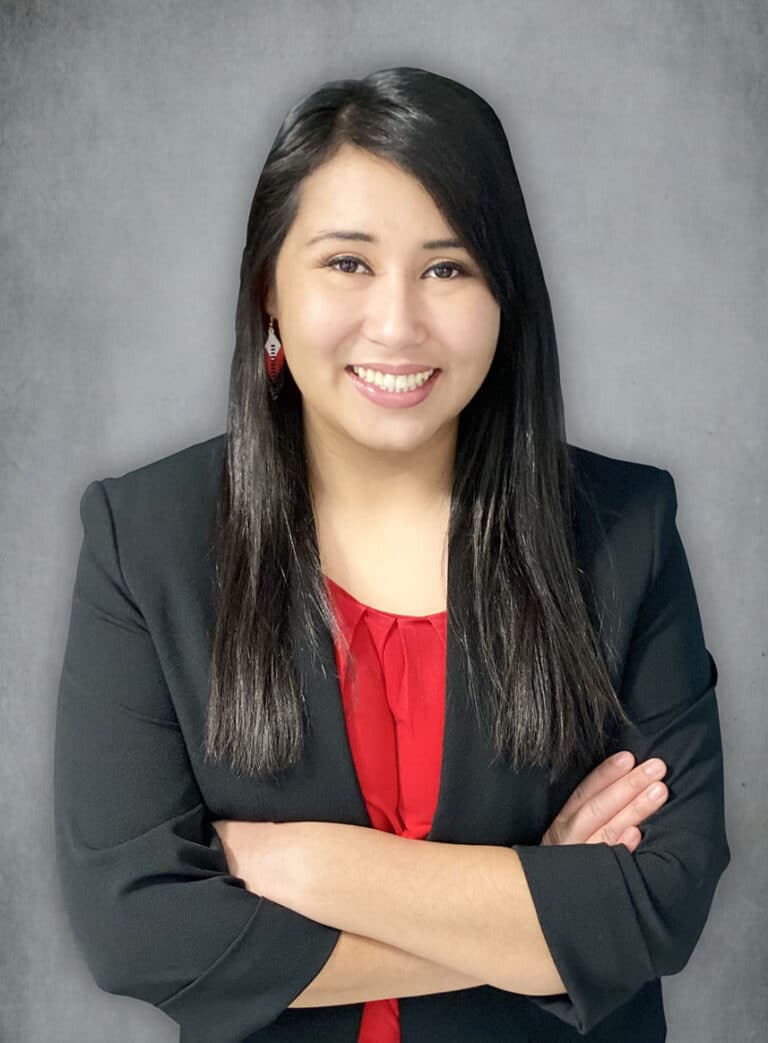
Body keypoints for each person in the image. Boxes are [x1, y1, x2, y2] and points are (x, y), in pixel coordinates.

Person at [53, 66, 730, 1042]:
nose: (399, 324)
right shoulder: (145, 536)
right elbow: (140, 933)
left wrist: (315, 868)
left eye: (448, 267)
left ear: (506, 294)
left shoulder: (622, 528)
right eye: (348, 264)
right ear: (269, 294)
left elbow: (658, 905)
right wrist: (541, 904)